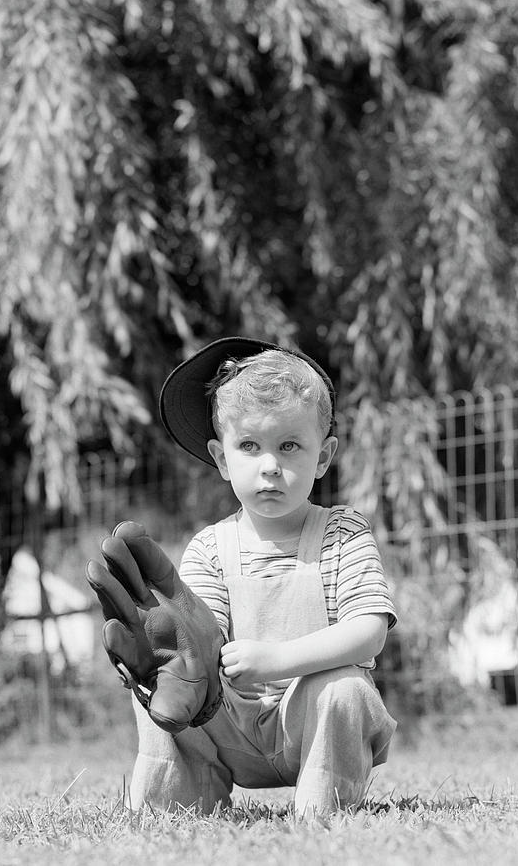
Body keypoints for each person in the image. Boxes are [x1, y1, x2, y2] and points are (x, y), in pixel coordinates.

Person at [90, 337, 397, 817]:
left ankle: (323, 808)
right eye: (249, 445)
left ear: (323, 456)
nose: (270, 466)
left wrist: (277, 659)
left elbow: (369, 633)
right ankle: (170, 805)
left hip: (310, 722)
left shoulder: (343, 533)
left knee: (345, 688)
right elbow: (199, 640)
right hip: (227, 720)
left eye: (290, 445)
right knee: (163, 690)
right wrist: (168, 657)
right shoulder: (210, 548)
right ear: (220, 456)